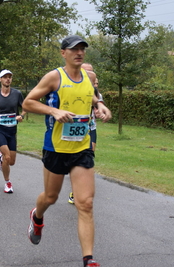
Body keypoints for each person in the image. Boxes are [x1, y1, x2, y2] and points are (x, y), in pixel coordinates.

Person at [23, 35, 112, 267]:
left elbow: (91, 95)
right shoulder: (55, 77)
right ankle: (37, 216)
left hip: (82, 147)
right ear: (63, 53)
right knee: (50, 197)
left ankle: (88, 259)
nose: (79, 53)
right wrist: (53, 112)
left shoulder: (89, 76)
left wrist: (100, 105)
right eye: (74, 49)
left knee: (86, 203)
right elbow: (28, 102)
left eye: (82, 49)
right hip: (56, 148)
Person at [0, 70, 26, 193]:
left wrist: (21, 116)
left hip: (12, 131)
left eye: (9, 77)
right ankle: (7, 183)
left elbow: (25, 108)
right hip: (0, 130)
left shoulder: (17, 94)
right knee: (7, 157)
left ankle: (1, 159)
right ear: (0, 79)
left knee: (11, 162)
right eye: (5, 77)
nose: (7, 79)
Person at [68, 63, 103, 205]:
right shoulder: (73, 88)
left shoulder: (96, 93)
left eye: (93, 76)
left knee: (88, 155)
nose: (92, 79)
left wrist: (99, 110)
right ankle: (75, 190)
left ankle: (78, 190)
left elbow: (98, 106)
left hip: (90, 127)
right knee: (76, 158)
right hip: (75, 127)